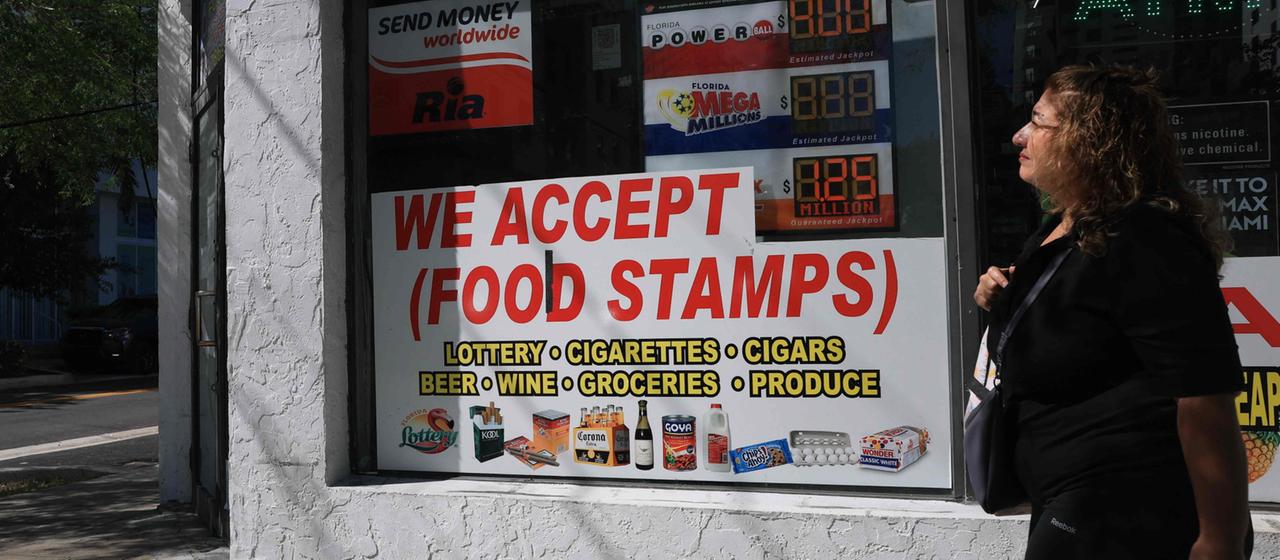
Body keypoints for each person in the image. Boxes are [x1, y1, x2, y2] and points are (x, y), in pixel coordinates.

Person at [973, 64, 1251, 559]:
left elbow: (1204, 395)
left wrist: (1219, 540)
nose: (1020, 135)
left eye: (1038, 122)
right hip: (1070, 503)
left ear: (1087, 140)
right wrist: (999, 298)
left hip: (1126, 516)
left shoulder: (1145, 238)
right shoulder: (1066, 227)